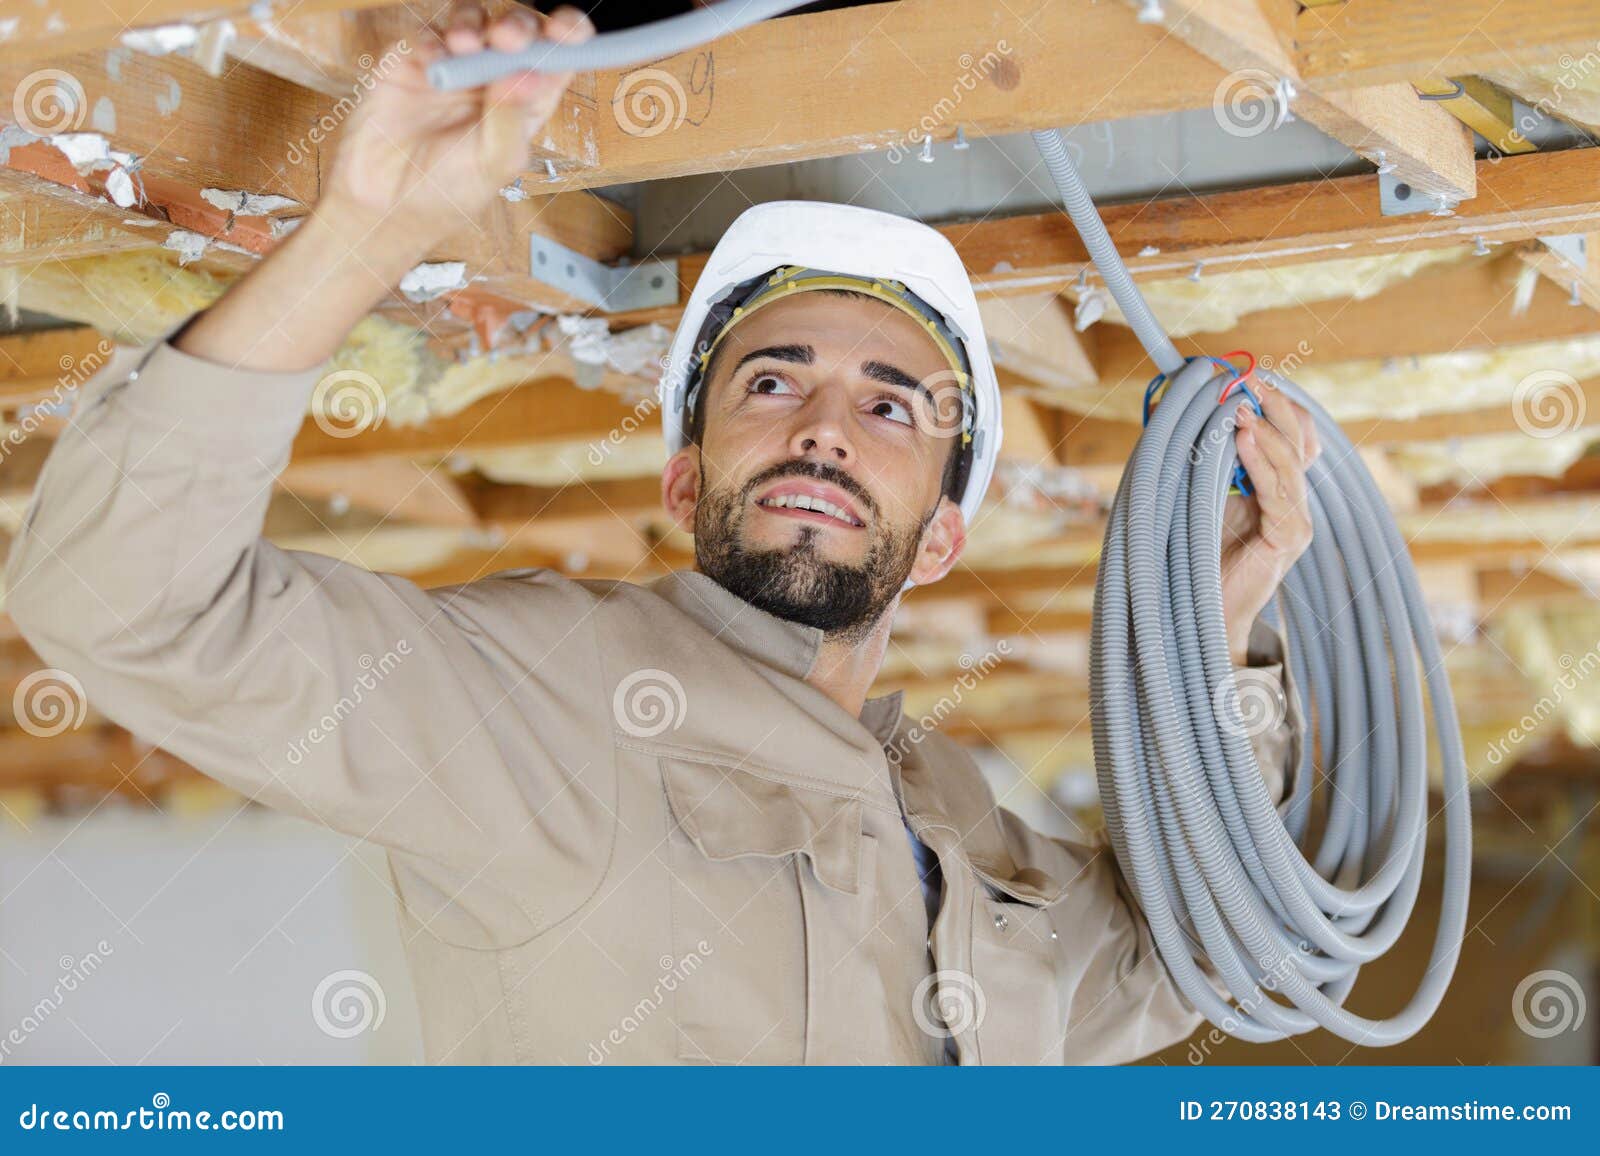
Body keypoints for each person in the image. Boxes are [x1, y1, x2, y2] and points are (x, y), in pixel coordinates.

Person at [5, 5, 1320, 1065]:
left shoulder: (956, 820)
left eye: (890, 407)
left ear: (939, 541)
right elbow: (125, 606)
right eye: (771, 381)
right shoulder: (542, 706)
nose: (825, 429)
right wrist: (369, 235)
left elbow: (1206, 960)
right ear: (687, 483)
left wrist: (1220, 637)